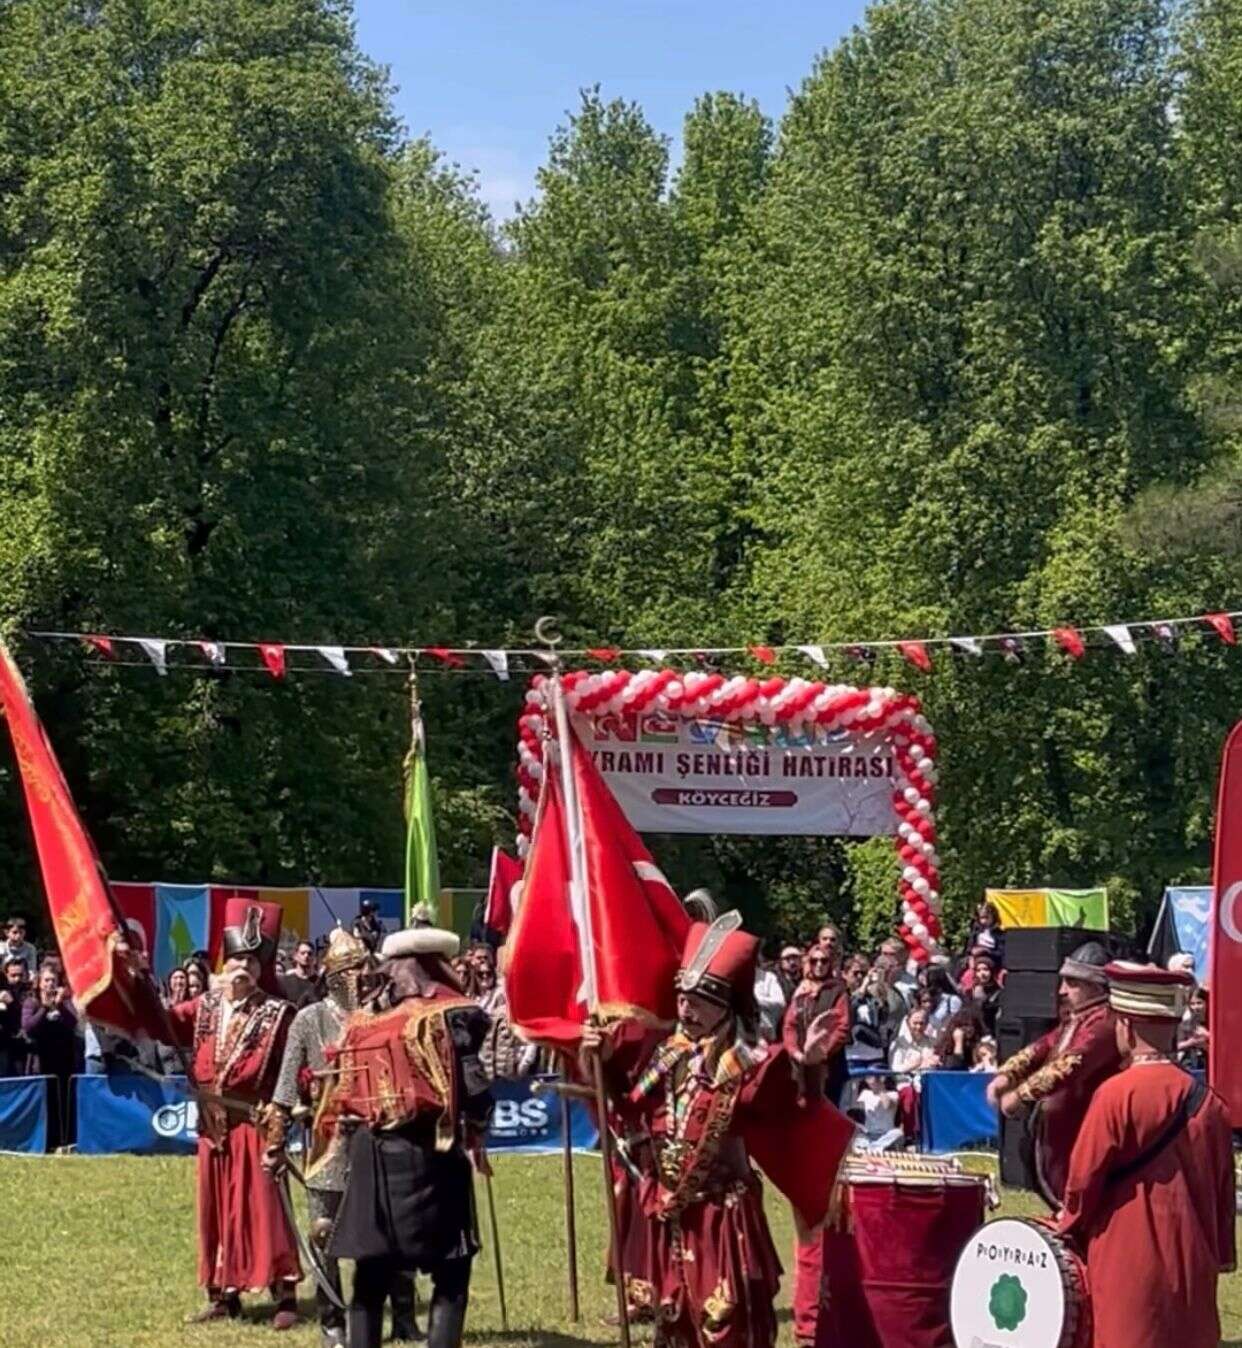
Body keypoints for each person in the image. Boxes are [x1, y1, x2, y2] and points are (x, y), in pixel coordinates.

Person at [584, 910, 854, 1348]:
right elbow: (631, 1108)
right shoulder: (667, 1055)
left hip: (722, 1216)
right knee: (676, 1322)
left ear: (724, 1005)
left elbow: (794, 1107)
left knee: (724, 1324)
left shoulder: (749, 1062)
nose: (686, 1010)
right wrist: (605, 1060)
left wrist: (808, 1063)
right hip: (673, 1215)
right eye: (682, 999)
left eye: (698, 1001)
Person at [323, 923, 493, 1348]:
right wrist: (479, 1124)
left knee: (371, 1271)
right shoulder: (452, 1014)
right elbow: (473, 1086)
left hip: (370, 1151)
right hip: (430, 1153)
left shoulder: (362, 1022)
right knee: (451, 1269)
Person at [1058, 962, 1235, 1348]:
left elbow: (1083, 1180)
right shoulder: (1212, 1104)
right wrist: (1220, 1254)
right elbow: (1224, 1195)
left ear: (1126, 1025)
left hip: (1126, 1262)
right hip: (1194, 1265)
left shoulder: (1115, 1094)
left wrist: (1067, 1224)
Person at [269, 927, 421, 1348]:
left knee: (392, 1229)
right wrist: (275, 1141)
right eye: (353, 970)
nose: (362, 977)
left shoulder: (386, 1015)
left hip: (380, 1138)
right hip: (329, 1140)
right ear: (335, 976)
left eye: (364, 968)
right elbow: (285, 1088)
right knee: (324, 1232)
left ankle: (403, 1316)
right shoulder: (309, 1020)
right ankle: (331, 1320)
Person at [162, 901, 301, 1327]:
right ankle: (223, 1294)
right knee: (216, 1208)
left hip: (254, 1122)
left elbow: (296, 1070)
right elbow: (161, 1022)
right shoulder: (203, 1006)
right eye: (237, 959)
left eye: (252, 962)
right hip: (211, 1125)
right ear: (224, 963)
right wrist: (130, 974)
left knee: (264, 1206)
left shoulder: (278, 1014)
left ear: (262, 969)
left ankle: (285, 1293)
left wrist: (285, 1111)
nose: (243, 967)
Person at [987, 940, 1121, 1207]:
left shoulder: (1104, 1022)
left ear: (1095, 987)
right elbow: (1045, 1045)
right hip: (1061, 1126)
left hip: (1085, 1123)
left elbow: (1070, 1063)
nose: (1062, 991)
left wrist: (1021, 1095)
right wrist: (1007, 1074)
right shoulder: (1079, 1018)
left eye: (1072, 983)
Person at [21, 963, 78, 1147]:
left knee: (62, 1102)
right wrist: (44, 1009)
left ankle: (63, 1140)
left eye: (53, 980)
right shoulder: (31, 1002)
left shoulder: (65, 1003)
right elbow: (28, 1028)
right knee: (43, 1103)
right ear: (39, 982)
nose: (50, 984)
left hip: (63, 1061)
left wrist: (60, 1006)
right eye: (46, 980)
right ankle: (42, 1142)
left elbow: (72, 1023)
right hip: (40, 1062)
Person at [754, 945, 801, 1043]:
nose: (792, 962)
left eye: (795, 958)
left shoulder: (807, 980)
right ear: (781, 962)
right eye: (788, 959)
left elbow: (779, 1002)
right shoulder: (775, 979)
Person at [855, 1072, 902, 1152]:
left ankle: (874, 1147)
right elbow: (854, 1111)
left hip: (886, 1134)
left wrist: (879, 1087)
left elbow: (887, 1105)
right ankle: (873, 1147)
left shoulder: (893, 1094)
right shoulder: (865, 1093)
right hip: (869, 1134)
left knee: (898, 1133)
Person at [0, 954, 29, 1077]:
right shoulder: (3, 993)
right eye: (13, 975)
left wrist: (12, 1004)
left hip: (26, 1048)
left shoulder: (31, 993)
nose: (17, 979)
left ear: (26, 974)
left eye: (20, 975)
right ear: (6, 975)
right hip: (4, 1045)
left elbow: (26, 1016)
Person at [889, 1004, 938, 1073]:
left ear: (927, 1024)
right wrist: (915, 1064)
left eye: (921, 1023)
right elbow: (895, 1069)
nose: (918, 1027)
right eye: (915, 1023)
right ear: (908, 1023)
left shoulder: (933, 1042)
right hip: (906, 1079)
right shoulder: (898, 1043)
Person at [966, 950, 1002, 1035]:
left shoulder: (999, 993)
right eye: (978, 970)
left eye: (985, 969)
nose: (982, 973)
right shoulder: (970, 992)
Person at [279, 939, 321, 1010]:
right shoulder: (285, 981)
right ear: (295, 956)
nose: (306, 956)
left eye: (310, 953)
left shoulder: (319, 984)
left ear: (313, 958)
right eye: (303, 953)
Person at [962, 900, 1005, 965]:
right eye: (982, 918)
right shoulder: (976, 932)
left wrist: (986, 950)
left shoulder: (999, 933)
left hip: (992, 959)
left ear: (993, 917)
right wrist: (970, 956)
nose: (984, 921)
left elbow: (1000, 952)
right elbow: (969, 947)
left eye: (986, 917)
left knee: (984, 966)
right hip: (976, 959)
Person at [1177, 985, 1209, 1071]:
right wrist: (1192, 1042)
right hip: (1190, 1066)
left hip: (1210, 1065)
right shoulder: (1185, 1024)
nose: (1195, 1007)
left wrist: (1208, 1036)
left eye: (1199, 1003)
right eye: (1192, 1004)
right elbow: (1177, 1046)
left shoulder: (1215, 1024)